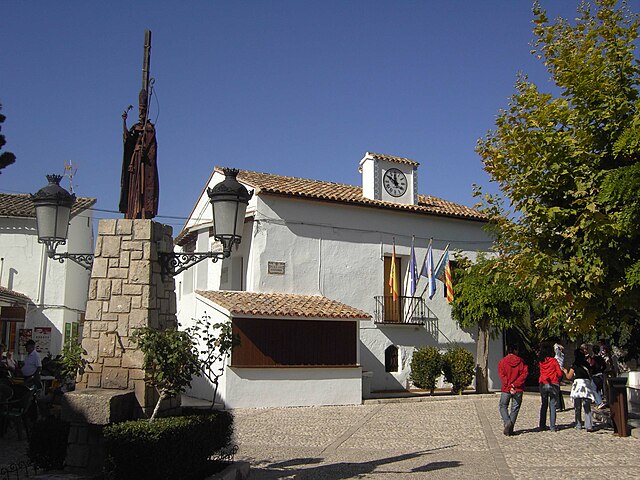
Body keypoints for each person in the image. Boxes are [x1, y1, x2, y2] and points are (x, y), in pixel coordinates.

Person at [119, 88, 159, 220]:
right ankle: (132, 211)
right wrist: (124, 122)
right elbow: (127, 140)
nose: (141, 113)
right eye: (140, 110)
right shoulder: (135, 127)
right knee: (133, 187)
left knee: (144, 187)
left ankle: (143, 210)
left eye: (143, 110)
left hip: (143, 162)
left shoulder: (150, 129)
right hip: (134, 162)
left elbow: (152, 147)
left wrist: (145, 152)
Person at [564, 347, 599, 432]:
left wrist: (565, 372)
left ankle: (578, 424)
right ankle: (589, 425)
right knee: (587, 407)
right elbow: (590, 373)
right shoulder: (586, 364)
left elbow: (569, 376)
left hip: (577, 386)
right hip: (586, 385)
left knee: (577, 406)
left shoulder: (575, 365)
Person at [498, 344, 529, 436]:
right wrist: (514, 384)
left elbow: (502, 375)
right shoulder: (521, 362)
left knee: (503, 405)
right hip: (518, 389)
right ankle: (510, 428)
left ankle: (507, 422)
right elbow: (524, 374)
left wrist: (508, 385)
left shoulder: (502, 362)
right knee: (515, 408)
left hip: (506, 389)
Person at [538, 342, 563, 431]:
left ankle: (542, 425)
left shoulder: (541, 362)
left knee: (544, 404)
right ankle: (552, 426)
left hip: (543, 383)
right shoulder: (553, 361)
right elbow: (559, 373)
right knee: (552, 405)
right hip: (553, 383)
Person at [553, 340, 566, 411]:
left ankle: (558, 405)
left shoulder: (559, 355)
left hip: (558, 372)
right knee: (557, 389)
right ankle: (561, 405)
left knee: (556, 389)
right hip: (560, 372)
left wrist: (558, 345)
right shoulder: (562, 355)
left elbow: (555, 345)